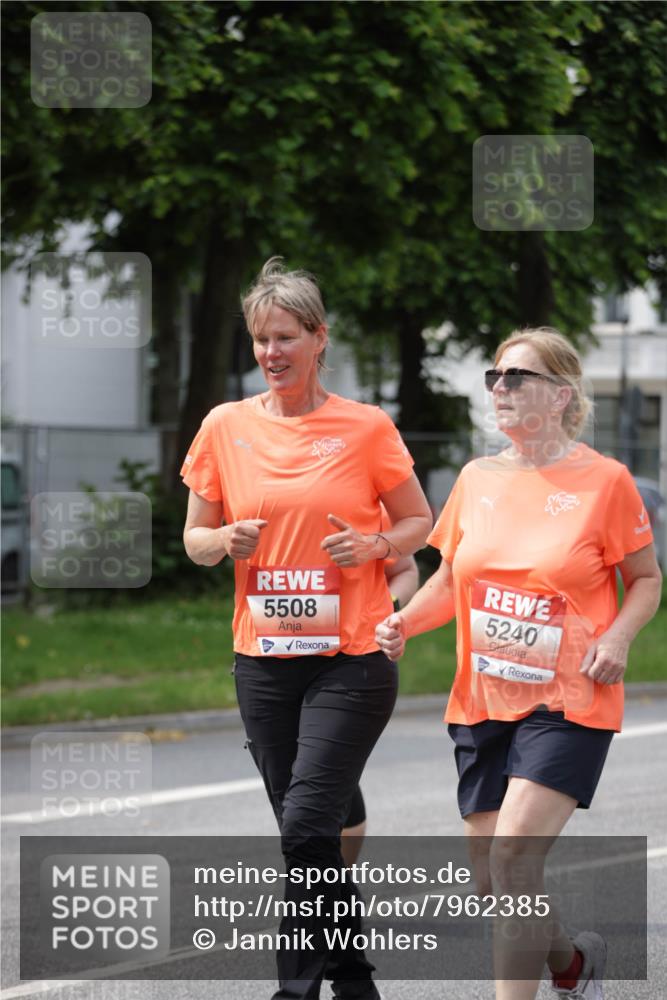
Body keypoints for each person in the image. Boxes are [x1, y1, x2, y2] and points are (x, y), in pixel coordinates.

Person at [375, 327, 662, 1000]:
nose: (499, 388)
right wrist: (403, 623)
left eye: (516, 377)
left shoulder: (605, 483)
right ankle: (569, 964)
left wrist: (617, 637)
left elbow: (644, 580)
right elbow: (450, 579)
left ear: (560, 396)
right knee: (493, 877)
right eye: (494, 377)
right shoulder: (477, 478)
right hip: (482, 699)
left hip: (569, 699)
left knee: (512, 856)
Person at [182, 257, 432, 1000]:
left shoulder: (363, 428)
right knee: (312, 837)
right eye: (260, 339)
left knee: (303, 829)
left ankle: (293, 992)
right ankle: (354, 982)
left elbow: (420, 521)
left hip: (349, 657)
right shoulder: (225, 426)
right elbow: (194, 541)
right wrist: (225, 541)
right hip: (262, 659)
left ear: (319, 339)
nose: (271, 354)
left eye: (286, 337)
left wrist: (378, 546)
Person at [340, 550, 420, 866]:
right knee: (296, 787)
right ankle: (328, 885)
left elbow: (406, 570)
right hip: (270, 667)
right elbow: (199, 542)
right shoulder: (251, 502)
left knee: (325, 778)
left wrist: (382, 609)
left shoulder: (371, 502)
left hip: (349, 663)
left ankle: (331, 886)